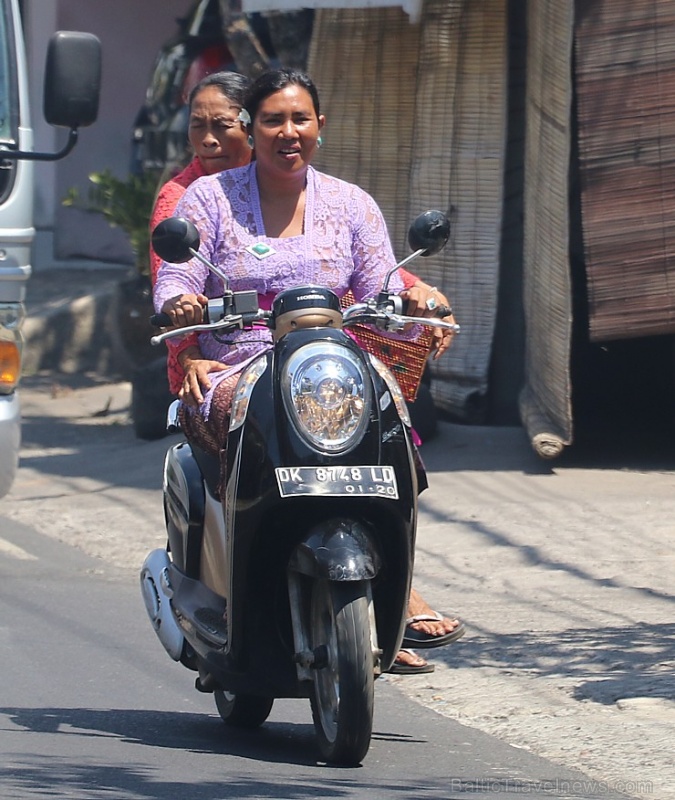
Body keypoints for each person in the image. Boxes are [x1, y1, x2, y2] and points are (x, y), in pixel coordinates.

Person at [152, 68, 463, 674]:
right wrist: (182, 305)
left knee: (390, 421)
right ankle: (235, 588)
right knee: (236, 417)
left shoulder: (352, 204)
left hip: (330, 369)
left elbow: (381, 286)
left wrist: (418, 299)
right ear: (252, 127)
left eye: (300, 119)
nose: (288, 132)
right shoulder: (209, 201)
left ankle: (394, 585)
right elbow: (175, 281)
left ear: (320, 125)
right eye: (273, 120)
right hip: (238, 363)